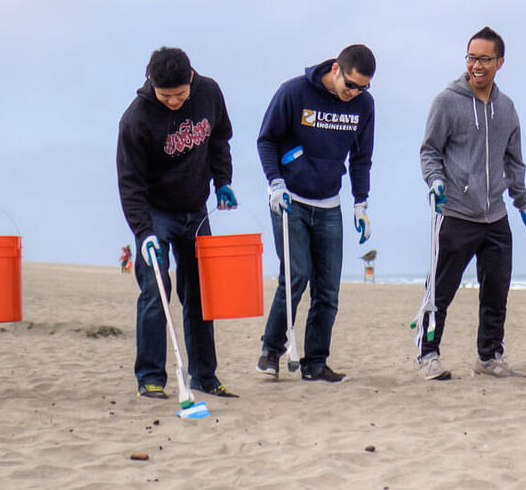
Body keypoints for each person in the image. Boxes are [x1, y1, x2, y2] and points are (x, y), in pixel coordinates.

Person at [417, 27, 526, 381]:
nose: (476, 65)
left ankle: (489, 357)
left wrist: (525, 206)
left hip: (495, 216)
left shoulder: (506, 108)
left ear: (500, 62)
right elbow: (430, 151)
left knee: (496, 293)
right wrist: (436, 181)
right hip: (455, 212)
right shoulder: (447, 101)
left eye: (484, 59)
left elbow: (514, 162)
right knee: (440, 291)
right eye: (471, 57)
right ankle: (428, 354)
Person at [117, 46, 239, 400]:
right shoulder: (136, 119)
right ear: (152, 83)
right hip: (156, 214)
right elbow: (130, 183)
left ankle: (204, 375)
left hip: (196, 209)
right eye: (166, 96)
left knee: (201, 295)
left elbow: (219, 139)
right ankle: (151, 378)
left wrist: (223, 181)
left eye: (180, 95)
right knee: (156, 292)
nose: (174, 102)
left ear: (191, 79)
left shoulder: (209, 92)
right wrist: (143, 234)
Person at [255, 44, 376, 383]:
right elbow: (266, 140)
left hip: (329, 204)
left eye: (363, 87)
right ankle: (270, 352)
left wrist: (360, 203)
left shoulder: (364, 106)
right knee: (296, 276)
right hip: (289, 198)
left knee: (328, 289)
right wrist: (275, 182)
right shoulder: (293, 92)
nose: (354, 93)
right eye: (350, 84)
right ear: (336, 69)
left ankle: (315, 363)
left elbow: (361, 157)